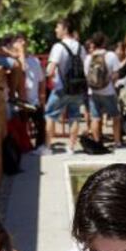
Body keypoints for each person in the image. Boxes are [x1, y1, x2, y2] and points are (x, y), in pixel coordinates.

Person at [44, 18, 86, 155]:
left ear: (65, 29)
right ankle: (71, 147)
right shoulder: (80, 47)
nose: (56, 30)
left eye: (57, 27)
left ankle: (47, 147)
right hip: (78, 88)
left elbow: (51, 69)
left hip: (61, 88)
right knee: (74, 116)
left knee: (50, 115)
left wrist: (46, 74)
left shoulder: (58, 47)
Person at [84, 32, 121, 147]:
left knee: (95, 117)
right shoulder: (111, 55)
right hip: (108, 91)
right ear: (104, 42)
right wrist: (109, 82)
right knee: (116, 116)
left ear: (93, 44)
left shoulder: (88, 58)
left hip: (93, 92)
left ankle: (97, 141)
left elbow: (87, 75)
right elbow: (116, 74)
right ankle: (117, 142)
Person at [12, 33, 47, 153]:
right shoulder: (13, 61)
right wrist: (20, 53)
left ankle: (39, 146)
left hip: (33, 100)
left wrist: (42, 97)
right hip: (19, 101)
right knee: (21, 126)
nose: (22, 44)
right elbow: (22, 70)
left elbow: (41, 80)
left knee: (40, 123)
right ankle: (23, 148)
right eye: (19, 42)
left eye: (24, 41)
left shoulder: (35, 61)